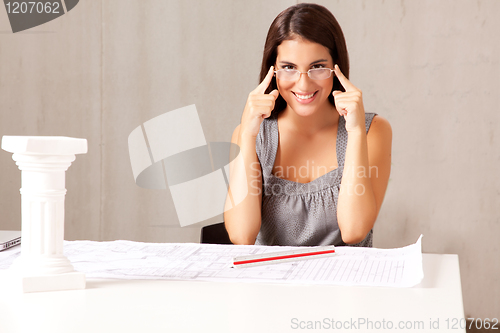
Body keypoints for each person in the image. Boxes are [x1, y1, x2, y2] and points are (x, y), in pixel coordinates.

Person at [224, 3, 392, 247]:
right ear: (272, 72)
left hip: (343, 283)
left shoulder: (372, 131)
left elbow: (354, 231)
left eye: (317, 67)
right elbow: (241, 236)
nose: (303, 85)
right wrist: (248, 135)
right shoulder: (250, 135)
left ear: (337, 68)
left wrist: (354, 132)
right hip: (271, 282)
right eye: (289, 67)